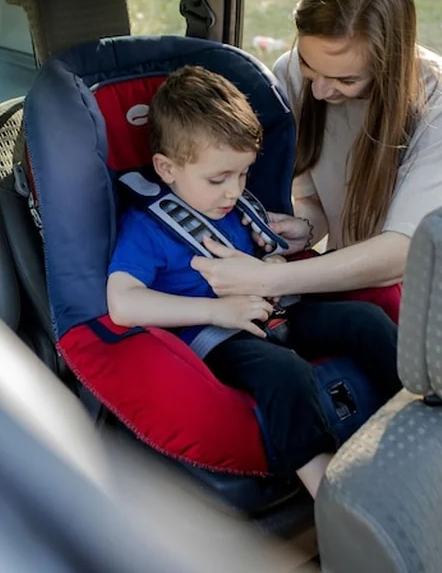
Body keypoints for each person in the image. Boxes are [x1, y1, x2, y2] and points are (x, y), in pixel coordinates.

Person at [107, 65, 399, 498]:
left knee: (366, 319)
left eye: (242, 174)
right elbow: (122, 302)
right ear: (167, 169)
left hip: (278, 310)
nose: (233, 190)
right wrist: (215, 310)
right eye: (218, 179)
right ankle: (328, 492)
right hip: (219, 334)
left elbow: (267, 253)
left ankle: (413, 421)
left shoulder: (236, 204)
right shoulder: (149, 229)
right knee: (286, 373)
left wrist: (277, 258)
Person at [190, 0, 442, 311]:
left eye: (347, 80)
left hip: (434, 294)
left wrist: (268, 279)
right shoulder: (289, 73)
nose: (322, 91)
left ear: (389, 64)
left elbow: (401, 251)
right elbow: (317, 200)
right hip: (348, 280)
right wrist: (305, 228)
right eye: (310, 68)